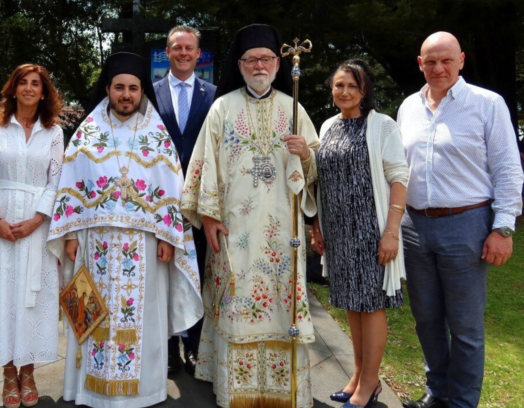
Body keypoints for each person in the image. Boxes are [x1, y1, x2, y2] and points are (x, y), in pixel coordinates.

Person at [46, 52, 203, 408]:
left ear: (141, 91)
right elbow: (71, 184)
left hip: (144, 244)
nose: (126, 95)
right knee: (92, 312)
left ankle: (145, 392)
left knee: (141, 315)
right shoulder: (88, 131)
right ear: (108, 89)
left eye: (133, 88)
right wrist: (70, 234)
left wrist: (168, 236)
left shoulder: (156, 135)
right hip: (94, 241)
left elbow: (170, 190)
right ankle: (90, 390)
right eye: (120, 87)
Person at [181, 23, 319, 408]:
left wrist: (305, 153)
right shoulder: (223, 108)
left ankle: (281, 391)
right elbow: (204, 165)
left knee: (280, 304)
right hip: (234, 228)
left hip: (280, 230)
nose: (259, 65)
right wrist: (207, 217)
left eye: (266, 59)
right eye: (251, 59)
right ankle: (235, 391)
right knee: (237, 301)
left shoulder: (294, 109)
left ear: (278, 63)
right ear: (239, 64)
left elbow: (315, 169)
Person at [397, 32, 523, 408]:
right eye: (430, 61)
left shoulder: (487, 104)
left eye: (446, 60)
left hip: (466, 224)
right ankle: (437, 392)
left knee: (465, 326)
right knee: (427, 320)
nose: (438, 68)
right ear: (420, 63)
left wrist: (503, 227)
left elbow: (507, 169)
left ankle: (462, 402)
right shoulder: (408, 107)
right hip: (414, 228)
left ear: (462, 60)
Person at [311, 59, 409, 408]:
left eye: (352, 85)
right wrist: (317, 224)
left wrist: (391, 232)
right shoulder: (327, 127)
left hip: (371, 230)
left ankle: (370, 382)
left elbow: (399, 177)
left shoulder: (382, 126)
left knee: (370, 306)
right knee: (352, 306)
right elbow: (320, 180)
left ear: (364, 90)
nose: (345, 92)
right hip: (338, 232)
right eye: (339, 85)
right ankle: (357, 374)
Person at [0, 64, 66, 408]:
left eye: (35, 84)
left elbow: (56, 181)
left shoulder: (53, 132)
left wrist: (38, 219)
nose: (28, 88)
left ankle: (29, 372)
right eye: (22, 83)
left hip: (36, 225)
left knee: (32, 298)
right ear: (13, 89)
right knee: (3, 295)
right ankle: (8, 374)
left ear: (44, 92)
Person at [152, 24, 217, 375]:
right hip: (159, 201)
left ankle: (194, 345)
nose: (183, 53)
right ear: (168, 52)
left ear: (198, 53)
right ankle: (165, 348)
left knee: (197, 270)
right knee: (162, 272)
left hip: (198, 202)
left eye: (189, 48)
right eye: (176, 48)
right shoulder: (151, 92)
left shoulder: (214, 95)